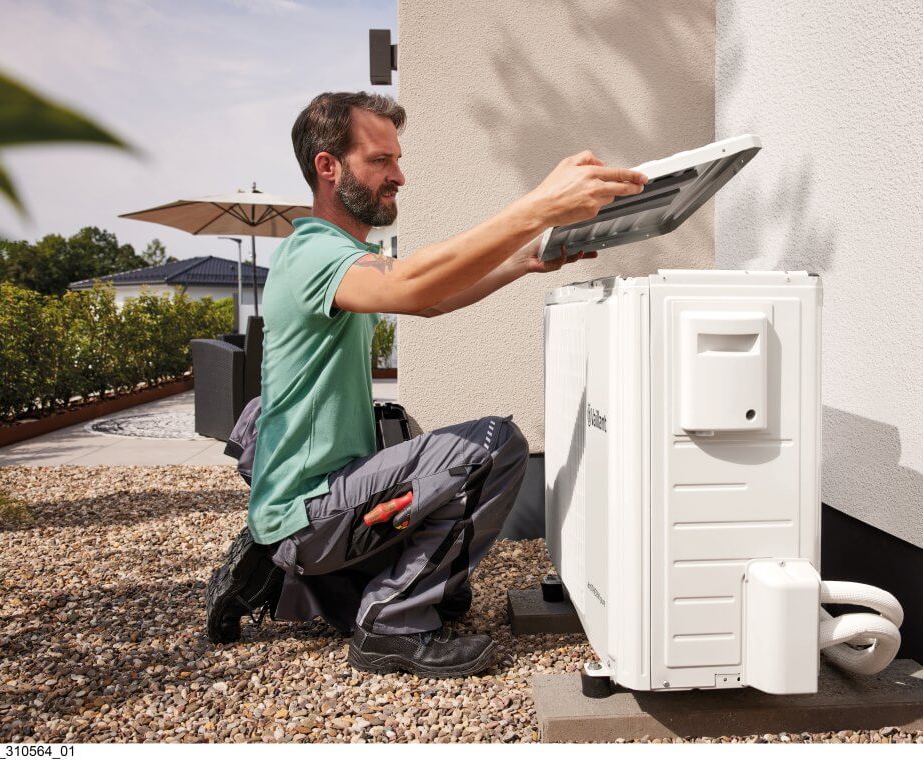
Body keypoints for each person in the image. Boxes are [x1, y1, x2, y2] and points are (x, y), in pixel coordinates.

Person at [204, 91, 647, 678]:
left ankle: (268, 567)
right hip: (313, 508)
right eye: (381, 160)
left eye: (397, 159)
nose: (400, 176)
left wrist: (522, 261)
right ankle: (387, 625)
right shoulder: (313, 254)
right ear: (328, 166)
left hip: (307, 505)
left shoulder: (336, 253)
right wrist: (539, 206)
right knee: (495, 444)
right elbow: (413, 282)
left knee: (453, 594)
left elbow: (427, 302)